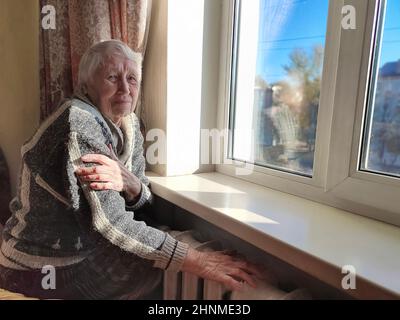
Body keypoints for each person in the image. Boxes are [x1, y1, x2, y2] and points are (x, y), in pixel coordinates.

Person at [0, 40, 262, 299]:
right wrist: (199, 262)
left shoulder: (129, 123)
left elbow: (141, 202)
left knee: (159, 248)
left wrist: (132, 185)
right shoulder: (78, 123)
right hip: (36, 264)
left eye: (132, 79)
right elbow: (112, 221)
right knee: (150, 266)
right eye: (112, 77)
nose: (125, 89)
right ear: (86, 86)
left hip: (83, 246)